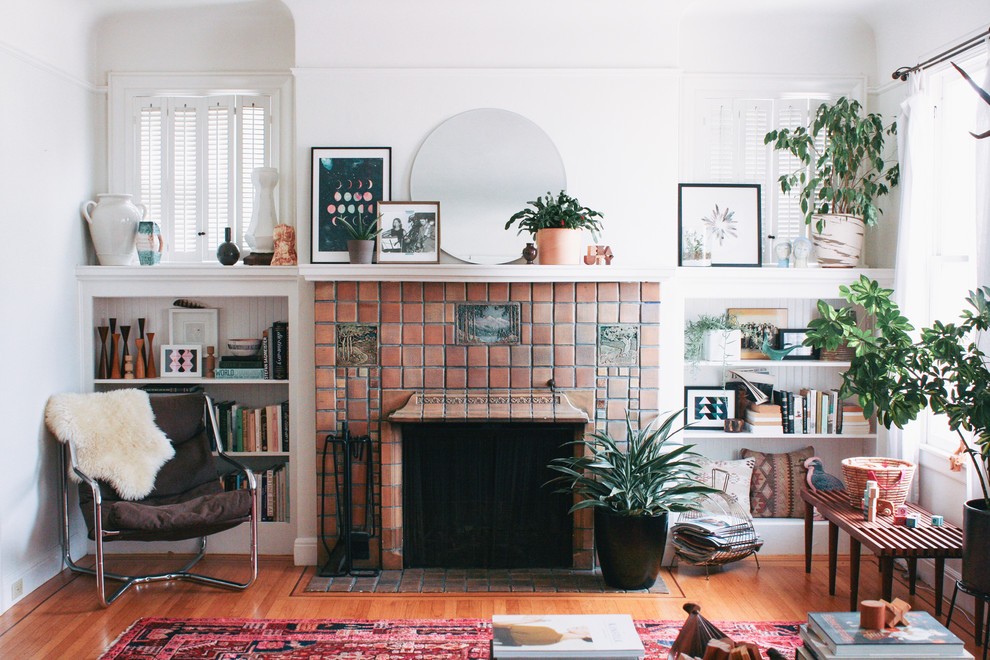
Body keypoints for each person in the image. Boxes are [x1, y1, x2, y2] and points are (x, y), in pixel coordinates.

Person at [492, 619, 593, 646]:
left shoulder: (550, 634)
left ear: (587, 635)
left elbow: (508, 628)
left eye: (585, 628)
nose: (581, 626)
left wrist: (526, 621)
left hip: (496, 632)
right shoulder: (553, 639)